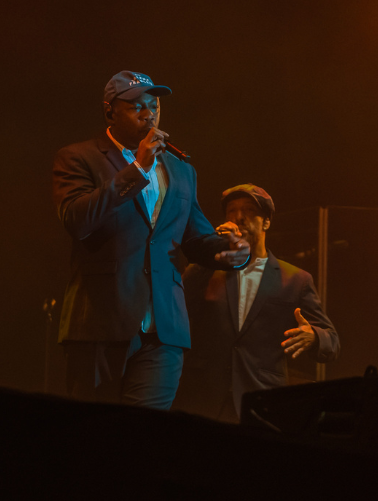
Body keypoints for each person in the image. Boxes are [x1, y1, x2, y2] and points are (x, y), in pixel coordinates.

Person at [51, 71, 250, 410]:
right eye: (136, 106)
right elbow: (77, 220)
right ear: (110, 111)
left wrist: (229, 252)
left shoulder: (180, 169)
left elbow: (195, 237)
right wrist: (137, 170)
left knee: (146, 441)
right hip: (101, 324)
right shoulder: (78, 157)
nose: (149, 114)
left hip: (165, 329)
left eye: (154, 105)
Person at [173, 184, 340, 423]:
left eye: (249, 210)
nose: (239, 217)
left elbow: (332, 341)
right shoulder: (206, 269)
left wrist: (314, 336)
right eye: (232, 211)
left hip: (262, 402)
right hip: (204, 399)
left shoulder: (295, 279)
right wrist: (211, 255)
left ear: (266, 222)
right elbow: (173, 311)